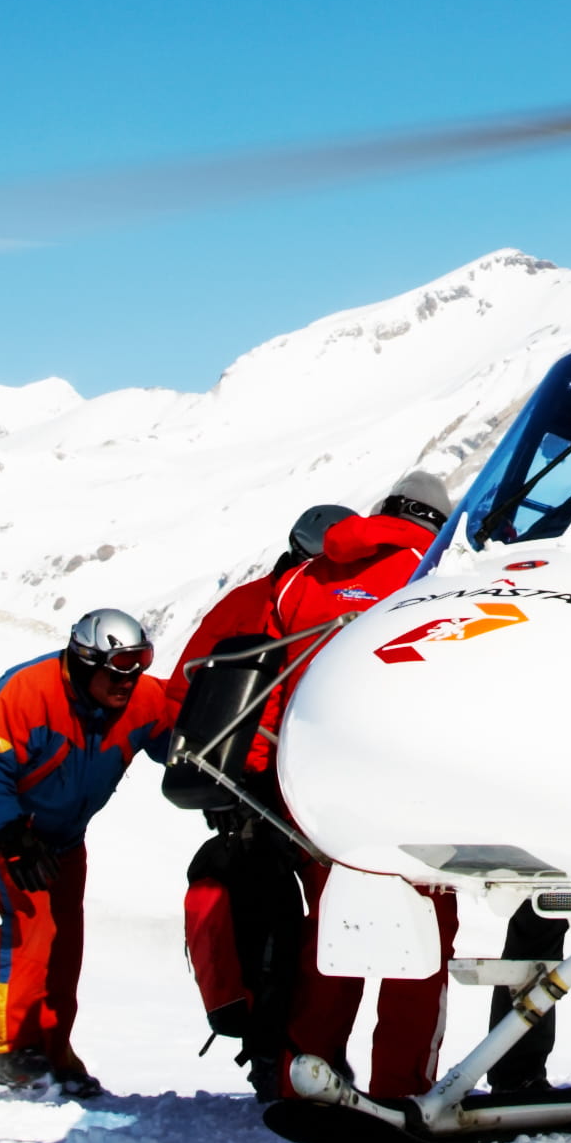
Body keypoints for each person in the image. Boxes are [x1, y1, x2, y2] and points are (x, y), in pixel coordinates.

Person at [164, 470, 459, 1106]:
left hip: (321, 794)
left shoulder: (302, 579)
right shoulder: (440, 574)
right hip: (413, 792)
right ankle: (404, 1091)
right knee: (423, 944)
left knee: (335, 936)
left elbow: (263, 690)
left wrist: (270, 775)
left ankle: (304, 1079)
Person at [0, 607, 175, 1098]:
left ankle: (55, 1047)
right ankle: (14, 1049)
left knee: (66, 937)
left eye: (140, 662)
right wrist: (12, 835)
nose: (130, 678)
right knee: (30, 925)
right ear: (85, 662)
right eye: (120, 666)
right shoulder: (28, 693)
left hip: (65, 834)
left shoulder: (143, 697)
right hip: (9, 825)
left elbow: (181, 745)